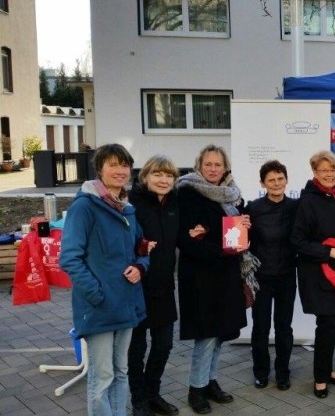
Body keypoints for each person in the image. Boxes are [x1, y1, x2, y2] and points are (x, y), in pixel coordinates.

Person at [60, 144, 149, 416]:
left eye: (124, 165)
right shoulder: (84, 207)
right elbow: (70, 259)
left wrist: (141, 267)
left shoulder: (127, 208)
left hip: (127, 303)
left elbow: (142, 247)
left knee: (121, 371)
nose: (120, 171)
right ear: (100, 169)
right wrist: (97, 295)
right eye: (113, 165)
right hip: (98, 307)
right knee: (103, 376)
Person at [175, 145, 251, 414]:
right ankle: (196, 389)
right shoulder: (187, 192)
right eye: (208, 164)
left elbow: (232, 230)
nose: (213, 169)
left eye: (218, 164)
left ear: (225, 167)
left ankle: (210, 381)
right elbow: (185, 238)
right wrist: (219, 247)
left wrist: (244, 227)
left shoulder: (232, 194)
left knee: (220, 333)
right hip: (200, 275)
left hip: (227, 272)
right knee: (206, 335)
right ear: (199, 166)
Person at [291, 150, 335, 399]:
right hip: (319, 275)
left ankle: (326, 370)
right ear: (315, 173)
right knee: (327, 324)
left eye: (333, 170)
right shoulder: (308, 201)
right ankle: (320, 378)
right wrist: (328, 252)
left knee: (332, 325)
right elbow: (298, 241)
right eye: (324, 170)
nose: (329, 174)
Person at [128, 155, 180, 416]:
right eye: (158, 174)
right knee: (137, 348)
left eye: (169, 175)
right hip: (137, 287)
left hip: (164, 287)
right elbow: (122, 242)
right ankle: (139, 400)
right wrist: (138, 248)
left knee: (164, 345)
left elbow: (181, 236)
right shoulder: (132, 204)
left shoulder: (173, 205)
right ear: (146, 177)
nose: (163, 180)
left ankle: (153, 393)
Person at [246, 160, 298, 391]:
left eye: (280, 178)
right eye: (271, 180)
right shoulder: (253, 208)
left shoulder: (297, 206)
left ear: (286, 180)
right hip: (262, 277)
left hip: (287, 275)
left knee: (284, 327)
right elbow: (241, 237)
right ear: (263, 183)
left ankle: (283, 373)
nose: (276, 183)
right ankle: (261, 372)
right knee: (261, 327)